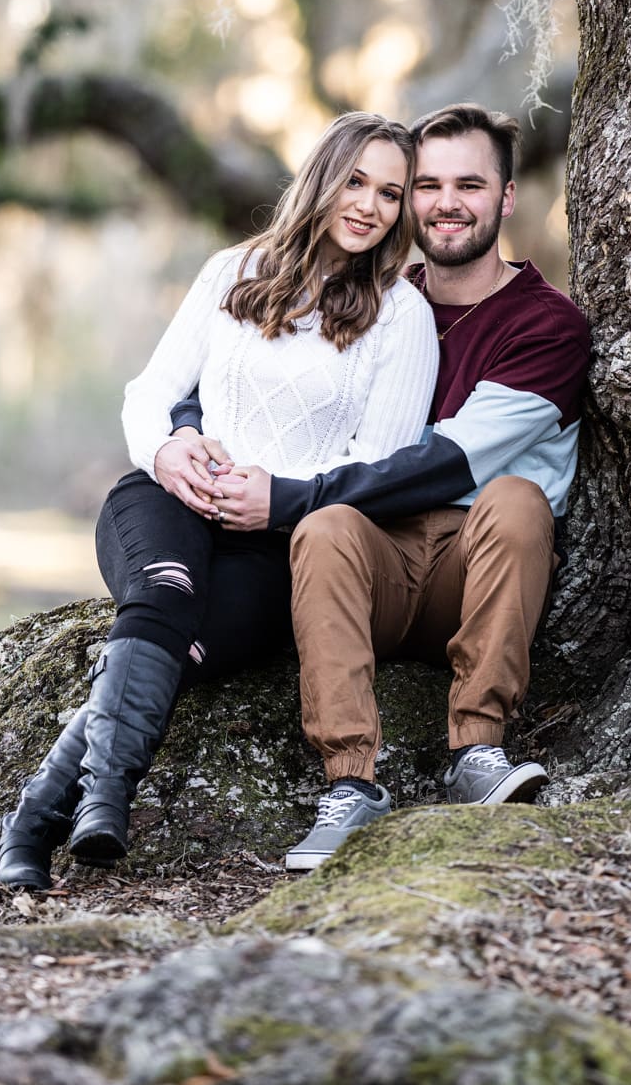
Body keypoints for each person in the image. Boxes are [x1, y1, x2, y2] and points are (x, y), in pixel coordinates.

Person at [0, 112, 439, 890]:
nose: (370, 205)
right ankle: (104, 800)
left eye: (391, 194)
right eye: (357, 181)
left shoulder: (402, 317)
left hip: (277, 543)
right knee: (165, 594)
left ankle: (34, 817)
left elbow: (380, 460)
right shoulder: (236, 270)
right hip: (168, 502)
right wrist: (167, 450)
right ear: (323, 177)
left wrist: (278, 498)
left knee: (184, 652)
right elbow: (151, 394)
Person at [178, 103, 590, 869]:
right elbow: (248, 362)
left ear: (506, 198)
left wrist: (287, 497)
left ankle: (476, 750)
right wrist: (181, 424)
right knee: (329, 526)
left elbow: (451, 463)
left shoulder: (547, 326)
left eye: (470, 184)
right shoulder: (377, 300)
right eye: (426, 185)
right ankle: (350, 785)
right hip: (377, 566)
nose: (446, 203)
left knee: (516, 498)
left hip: (476, 565)